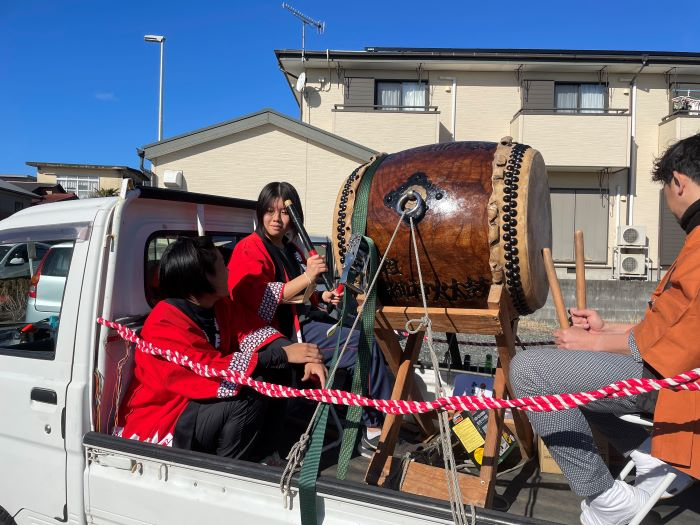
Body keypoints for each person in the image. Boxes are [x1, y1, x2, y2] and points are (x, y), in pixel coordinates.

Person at [510, 134, 700, 525]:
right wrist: (605, 328)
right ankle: (647, 451)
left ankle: (608, 498)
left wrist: (597, 343)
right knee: (568, 368)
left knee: (532, 374)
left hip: (677, 384)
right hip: (672, 372)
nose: (668, 201)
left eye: (666, 189)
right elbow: (672, 325)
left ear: (679, 182)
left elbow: (684, 343)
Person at [116, 236, 325, 461]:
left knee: (276, 371)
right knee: (249, 395)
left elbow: (254, 332)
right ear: (202, 277)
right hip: (169, 413)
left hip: (199, 404)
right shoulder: (164, 321)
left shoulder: (219, 305)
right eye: (220, 265)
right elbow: (207, 370)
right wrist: (282, 354)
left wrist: (303, 356)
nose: (228, 269)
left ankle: (265, 455)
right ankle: (228, 471)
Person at [227, 182, 394, 457]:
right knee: (362, 345)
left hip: (297, 324)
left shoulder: (289, 248)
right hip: (275, 335)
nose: (277, 219)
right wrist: (307, 277)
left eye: (283, 212)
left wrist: (321, 297)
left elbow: (299, 295)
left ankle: (375, 416)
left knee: (365, 336)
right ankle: (375, 427)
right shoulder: (250, 248)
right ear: (260, 213)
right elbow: (259, 296)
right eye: (269, 211)